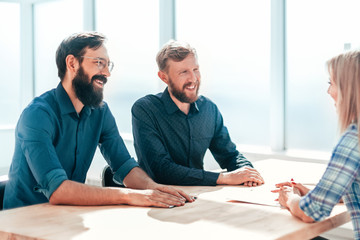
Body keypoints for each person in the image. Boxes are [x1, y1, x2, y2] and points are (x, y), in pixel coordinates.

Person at [3, 32, 194, 210]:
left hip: (66, 215)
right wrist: (127, 195)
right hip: (22, 220)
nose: (107, 73)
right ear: (72, 63)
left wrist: (153, 189)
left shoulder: (100, 112)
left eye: (108, 65)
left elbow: (124, 165)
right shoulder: (37, 115)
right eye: (99, 63)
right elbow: (58, 190)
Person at [131, 40, 264, 186]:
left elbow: (230, 155)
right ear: (164, 77)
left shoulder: (209, 109)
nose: (193, 78)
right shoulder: (145, 109)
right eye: (183, 72)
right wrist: (224, 178)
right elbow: (162, 170)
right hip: (157, 197)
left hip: (197, 195)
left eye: (195, 69)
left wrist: (247, 172)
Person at [272, 50, 360, 240]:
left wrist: (288, 198)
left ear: (348, 88)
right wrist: (316, 193)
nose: (329, 92)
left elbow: (310, 213)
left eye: (331, 83)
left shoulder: (353, 141)